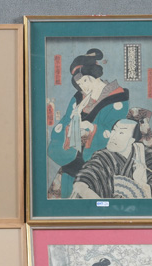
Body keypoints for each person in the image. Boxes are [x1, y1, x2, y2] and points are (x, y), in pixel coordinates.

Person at [47, 49, 129, 198]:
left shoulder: (117, 99)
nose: (83, 87)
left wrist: (91, 129)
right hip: (72, 157)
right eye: (79, 84)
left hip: (97, 162)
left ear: (95, 75)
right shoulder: (79, 98)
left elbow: (114, 132)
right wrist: (71, 126)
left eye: (85, 81)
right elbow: (64, 122)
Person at [72, 118, 152, 199]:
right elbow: (81, 183)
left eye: (121, 133)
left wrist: (140, 183)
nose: (113, 136)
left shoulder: (145, 153)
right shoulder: (102, 156)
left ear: (132, 140)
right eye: (114, 131)